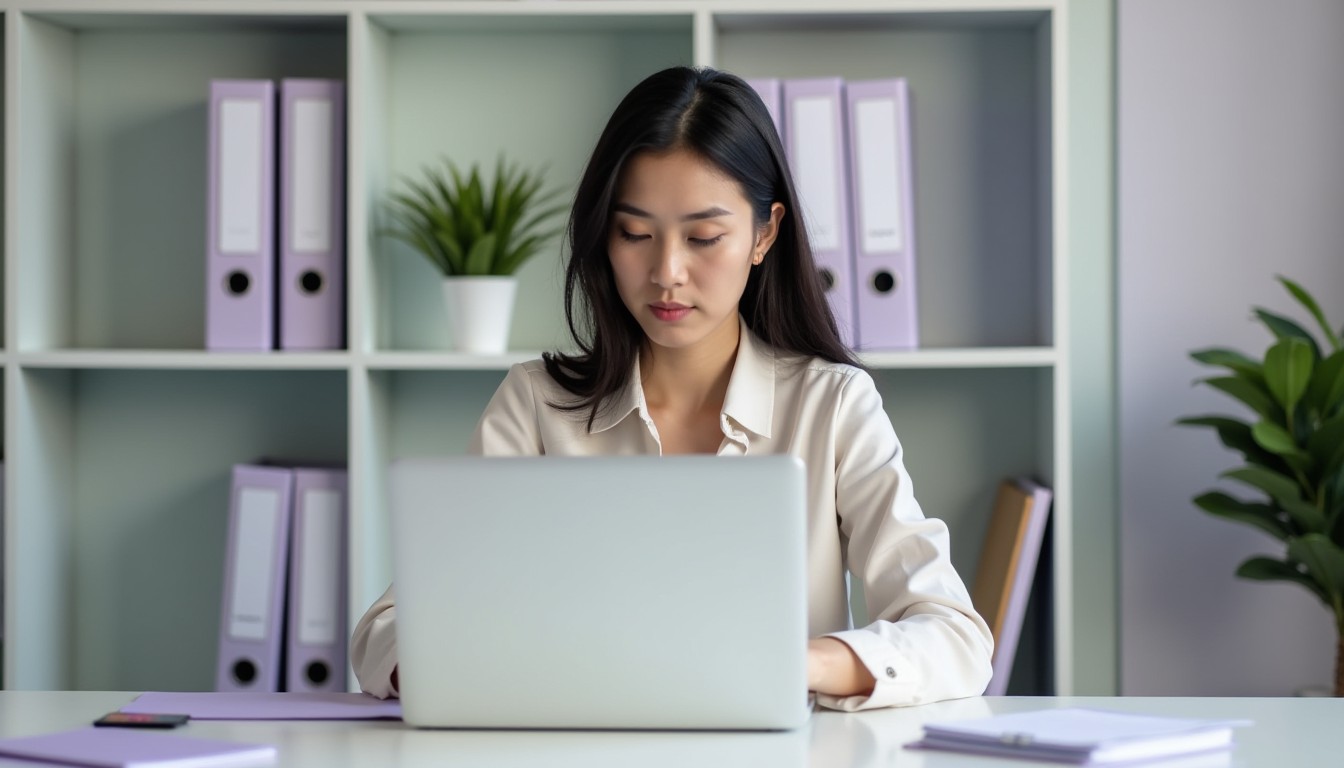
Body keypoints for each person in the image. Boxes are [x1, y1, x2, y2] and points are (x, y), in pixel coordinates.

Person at [352, 65, 993, 711]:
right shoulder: (536, 404)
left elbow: (955, 637)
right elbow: (384, 632)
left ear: (765, 233)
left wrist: (797, 661)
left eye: (704, 237)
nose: (666, 273)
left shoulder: (832, 405)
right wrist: (471, 666)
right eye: (635, 234)